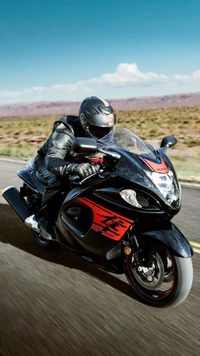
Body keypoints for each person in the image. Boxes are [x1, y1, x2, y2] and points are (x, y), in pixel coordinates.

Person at [25, 96, 116, 240]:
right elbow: (52, 160)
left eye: (106, 130)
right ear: (84, 120)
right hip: (48, 161)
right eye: (96, 129)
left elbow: (114, 150)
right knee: (58, 182)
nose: (102, 134)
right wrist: (75, 168)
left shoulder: (105, 134)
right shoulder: (65, 130)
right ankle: (43, 221)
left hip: (79, 161)